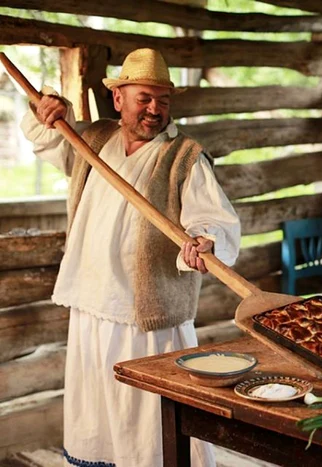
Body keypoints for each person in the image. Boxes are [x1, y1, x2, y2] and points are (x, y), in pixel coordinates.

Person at [20, 48, 241, 467]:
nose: (154, 109)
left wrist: (205, 241)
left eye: (163, 99)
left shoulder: (183, 156)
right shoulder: (91, 139)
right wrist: (48, 107)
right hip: (91, 300)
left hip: (146, 312)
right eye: (144, 98)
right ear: (118, 98)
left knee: (148, 418)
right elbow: (45, 133)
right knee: (99, 412)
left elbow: (214, 220)